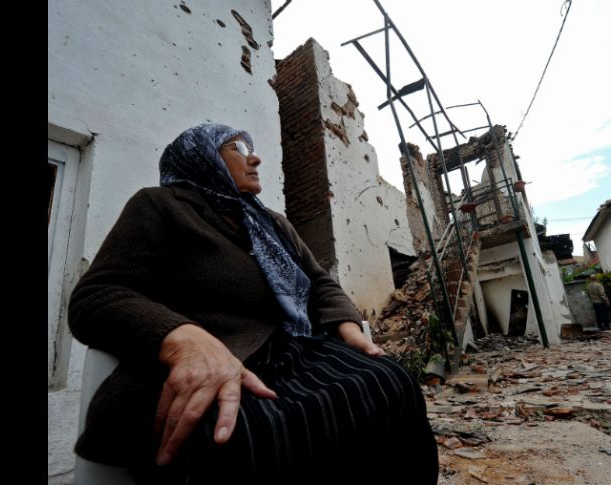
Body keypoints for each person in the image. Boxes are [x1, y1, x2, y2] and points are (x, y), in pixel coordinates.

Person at [68, 123, 439, 484]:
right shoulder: (160, 206)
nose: (256, 158)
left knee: (392, 382)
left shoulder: (272, 223)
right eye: (239, 148)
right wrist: (184, 340)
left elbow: (319, 281)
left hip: (293, 352)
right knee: (248, 434)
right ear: (203, 159)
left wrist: (349, 328)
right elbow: (99, 294)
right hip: (214, 362)